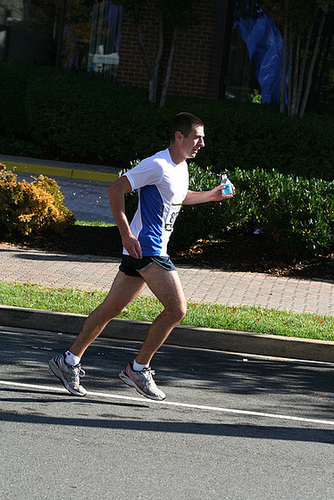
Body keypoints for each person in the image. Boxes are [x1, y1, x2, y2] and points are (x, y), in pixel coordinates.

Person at [48, 112, 234, 401]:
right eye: (197, 137)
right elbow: (116, 188)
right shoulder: (157, 164)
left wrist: (210, 195)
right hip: (147, 247)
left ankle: (68, 360)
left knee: (111, 308)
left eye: (203, 138)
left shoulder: (180, 166)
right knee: (177, 309)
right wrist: (125, 233)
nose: (202, 143)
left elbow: (179, 196)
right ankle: (139, 369)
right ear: (179, 137)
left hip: (145, 249)